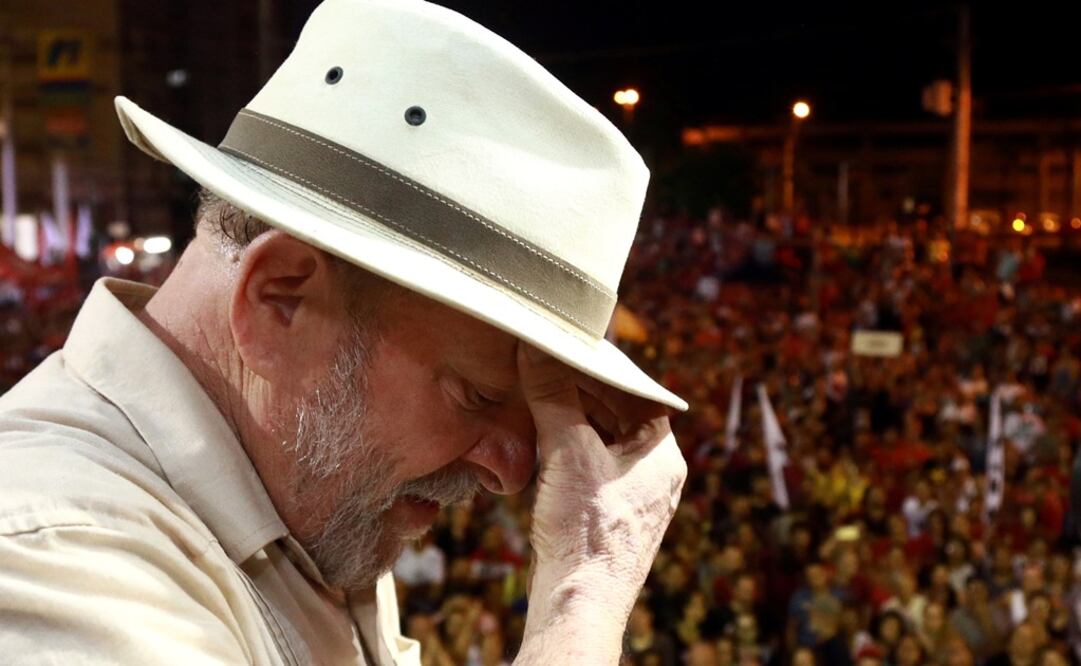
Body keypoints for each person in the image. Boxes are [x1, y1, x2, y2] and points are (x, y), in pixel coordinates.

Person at [0, 0, 688, 663]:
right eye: (476, 396)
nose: (511, 473)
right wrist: (582, 593)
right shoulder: (52, 555)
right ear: (282, 300)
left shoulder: (309, 502)